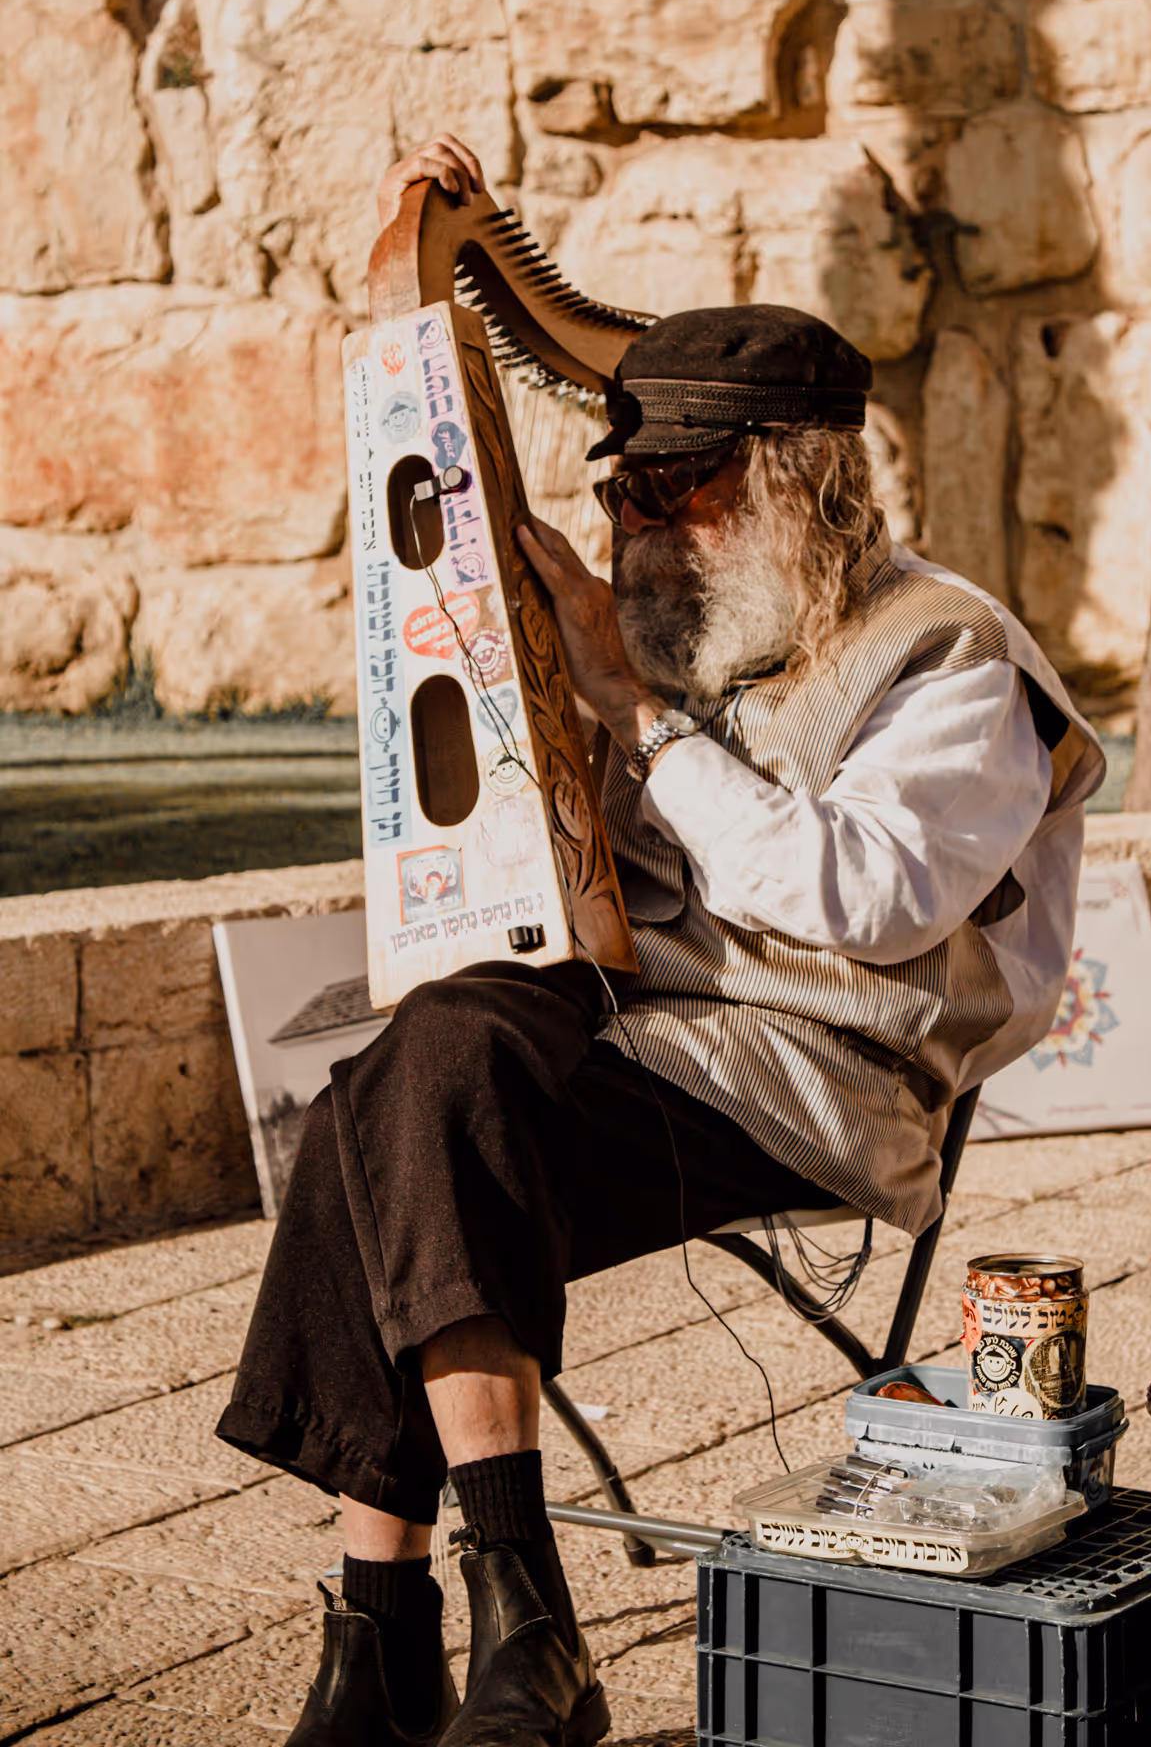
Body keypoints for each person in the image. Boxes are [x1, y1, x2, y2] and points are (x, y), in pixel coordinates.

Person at [216, 134, 1104, 1747]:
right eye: (618, 491)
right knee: (404, 1081)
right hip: (646, 1032)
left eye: (671, 490)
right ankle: (470, 1624)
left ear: (795, 485)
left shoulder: (955, 661)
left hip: (818, 1082)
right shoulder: (699, 632)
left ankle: (419, 1628)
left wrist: (633, 713)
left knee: (413, 1097)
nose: (631, 524)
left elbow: (865, 896)